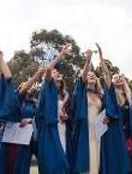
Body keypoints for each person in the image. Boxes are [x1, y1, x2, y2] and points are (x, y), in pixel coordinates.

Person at [34, 45, 74, 174]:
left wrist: (65, 116)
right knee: (52, 161)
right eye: (55, 73)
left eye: (58, 73)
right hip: (48, 128)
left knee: (64, 159)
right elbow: (49, 68)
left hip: (61, 128)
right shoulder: (47, 85)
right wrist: (61, 54)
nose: (57, 73)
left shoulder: (64, 94)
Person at [95, 43, 131, 174]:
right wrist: (101, 56)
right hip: (110, 129)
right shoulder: (110, 92)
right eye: (115, 78)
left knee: (122, 159)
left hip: (122, 131)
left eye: (120, 77)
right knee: (112, 158)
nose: (118, 78)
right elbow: (106, 73)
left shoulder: (128, 97)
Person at [69, 49, 104, 174]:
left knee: (98, 159)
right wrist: (88, 61)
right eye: (89, 75)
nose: (91, 76)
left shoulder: (100, 95)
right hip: (85, 130)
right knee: (86, 159)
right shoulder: (82, 92)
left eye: (93, 75)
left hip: (98, 130)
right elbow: (81, 80)